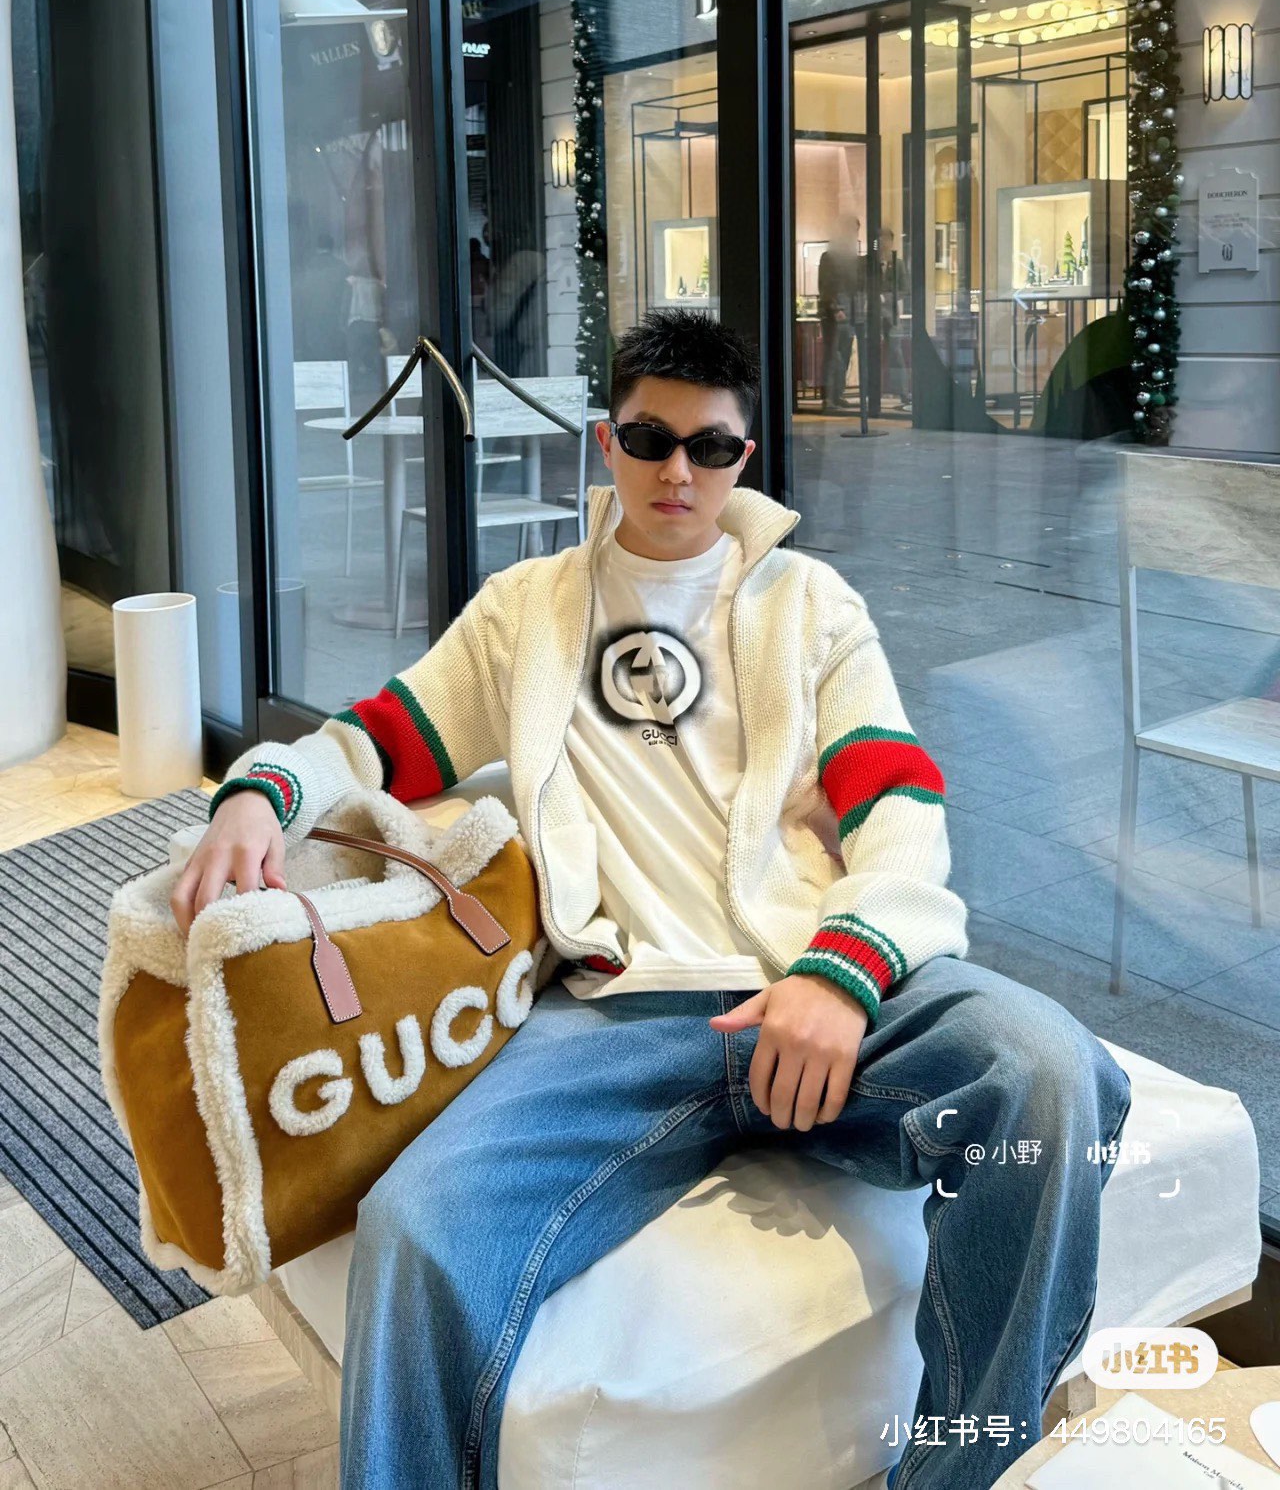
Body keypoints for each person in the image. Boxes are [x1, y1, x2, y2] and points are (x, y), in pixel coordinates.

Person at [173, 307, 1130, 1490]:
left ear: (742, 456)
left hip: (808, 996)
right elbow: (377, 740)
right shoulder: (524, 611)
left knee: (1046, 1067)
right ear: (606, 441)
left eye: (709, 447)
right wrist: (259, 791)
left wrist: (841, 973)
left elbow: (898, 802)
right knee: (416, 1225)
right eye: (649, 439)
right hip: (611, 1021)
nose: (678, 471)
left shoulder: (810, 606)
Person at [816, 210, 867, 416]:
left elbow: (858, 286)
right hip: (833, 313)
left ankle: (837, 394)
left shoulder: (853, 259)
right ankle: (828, 397)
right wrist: (835, 308)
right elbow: (825, 286)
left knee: (844, 354)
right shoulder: (829, 257)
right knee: (832, 355)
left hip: (851, 312)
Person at [877, 225, 911, 409]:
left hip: (891, 315)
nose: (883, 243)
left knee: (896, 352)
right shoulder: (869, 264)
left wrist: (885, 297)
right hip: (872, 314)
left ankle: (903, 392)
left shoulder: (898, 264)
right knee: (872, 352)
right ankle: (874, 391)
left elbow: (905, 289)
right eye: (880, 239)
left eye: (886, 240)